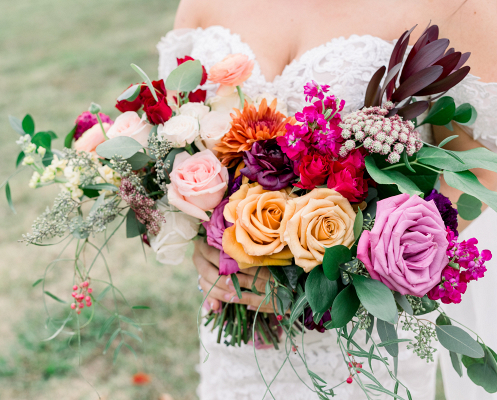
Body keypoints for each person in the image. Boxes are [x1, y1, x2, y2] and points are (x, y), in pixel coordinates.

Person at [157, 0, 497, 398]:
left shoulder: (458, 6)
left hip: (361, 333)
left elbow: (478, 168)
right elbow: (174, 132)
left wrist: (337, 274)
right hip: (238, 320)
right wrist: (205, 240)